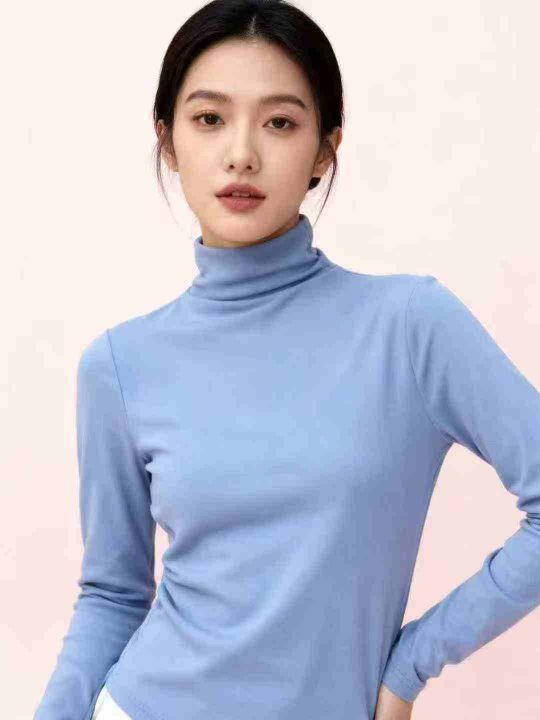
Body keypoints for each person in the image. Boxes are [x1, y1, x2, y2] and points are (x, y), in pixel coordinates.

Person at [34, 1, 540, 719]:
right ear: (168, 141)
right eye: (209, 118)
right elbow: (113, 596)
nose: (241, 153)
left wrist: (411, 664)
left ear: (326, 150)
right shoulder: (119, 365)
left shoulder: (409, 326)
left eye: (279, 122)